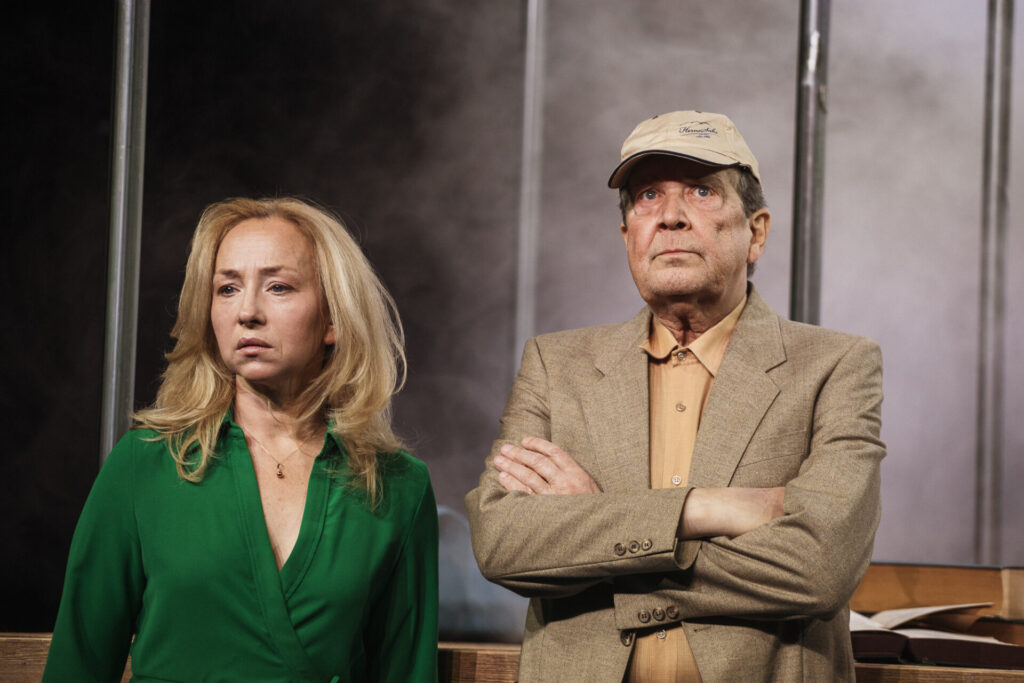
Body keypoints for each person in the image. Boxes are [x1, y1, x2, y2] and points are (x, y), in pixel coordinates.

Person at [466, 111, 884, 682]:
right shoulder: (555, 365)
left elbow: (819, 568)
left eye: (702, 191)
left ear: (757, 232)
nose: (670, 216)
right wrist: (700, 509)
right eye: (648, 196)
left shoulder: (836, 364)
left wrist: (597, 531)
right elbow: (503, 543)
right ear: (627, 236)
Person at [44, 197, 439, 682]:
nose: (247, 311)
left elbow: (407, 672)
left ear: (333, 319)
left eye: (278, 287)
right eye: (227, 288)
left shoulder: (397, 485)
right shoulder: (145, 463)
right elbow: (77, 664)